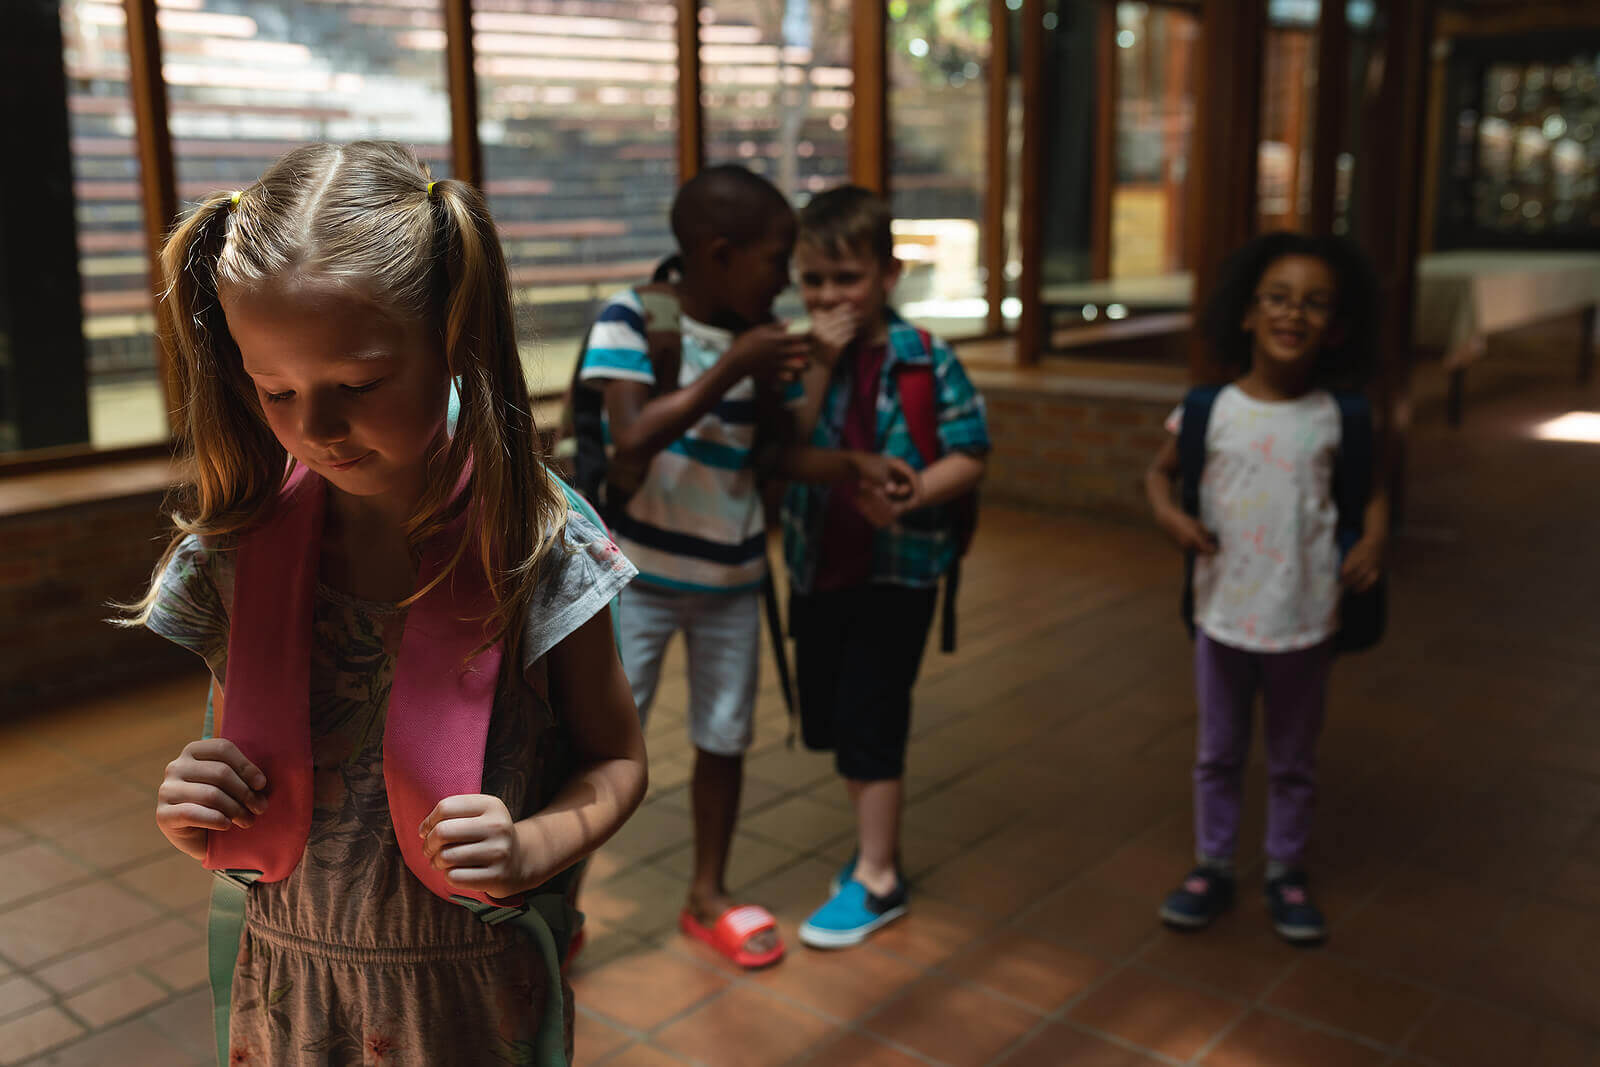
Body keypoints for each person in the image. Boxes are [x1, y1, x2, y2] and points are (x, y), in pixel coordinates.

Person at [130, 141, 646, 1065]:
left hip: (466, 1001)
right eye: (274, 389)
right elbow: (235, 761)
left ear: (454, 339)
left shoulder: (541, 543)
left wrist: (534, 847)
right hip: (284, 998)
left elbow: (616, 759)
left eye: (358, 386)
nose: (315, 429)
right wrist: (187, 807)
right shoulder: (235, 549)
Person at [572, 164, 855, 969]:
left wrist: (854, 466)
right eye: (776, 260)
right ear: (720, 253)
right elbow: (631, 438)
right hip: (639, 581)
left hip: (733, 582)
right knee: (600, 745)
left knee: (725, 737)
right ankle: (561, 907)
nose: (786, 279)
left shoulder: (758, 337)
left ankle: (708, 893)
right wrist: (735, 366)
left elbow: (772, 451)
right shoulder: (633, 319)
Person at [1144, 231, 1385, 945]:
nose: (1293, 314)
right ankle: (1212, 863)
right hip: (1223, 614)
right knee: (1217, 750)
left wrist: (1373, 540)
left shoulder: (1337, 415)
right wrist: (1169, 515)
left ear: (1336, 326)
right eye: (1277, 298)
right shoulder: (1208, 409)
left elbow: (1370, 494)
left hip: (1307, 619)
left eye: (1314, 304)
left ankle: (1285, 867)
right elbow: (1157, 473)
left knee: (1292, 758)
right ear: (1245, 314)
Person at [777, 185, 990, 948]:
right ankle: (871, 846)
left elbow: (971, 450)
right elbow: (786, 450)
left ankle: (878, 874)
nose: (830, 295)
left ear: (888, 274)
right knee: (833, 714)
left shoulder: (926, 358)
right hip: (817, 565)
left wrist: (913, 494)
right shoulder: (800, 358)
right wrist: (824, 364)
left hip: (900, 572)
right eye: (814, 280)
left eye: (847, 277)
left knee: (873, 712)